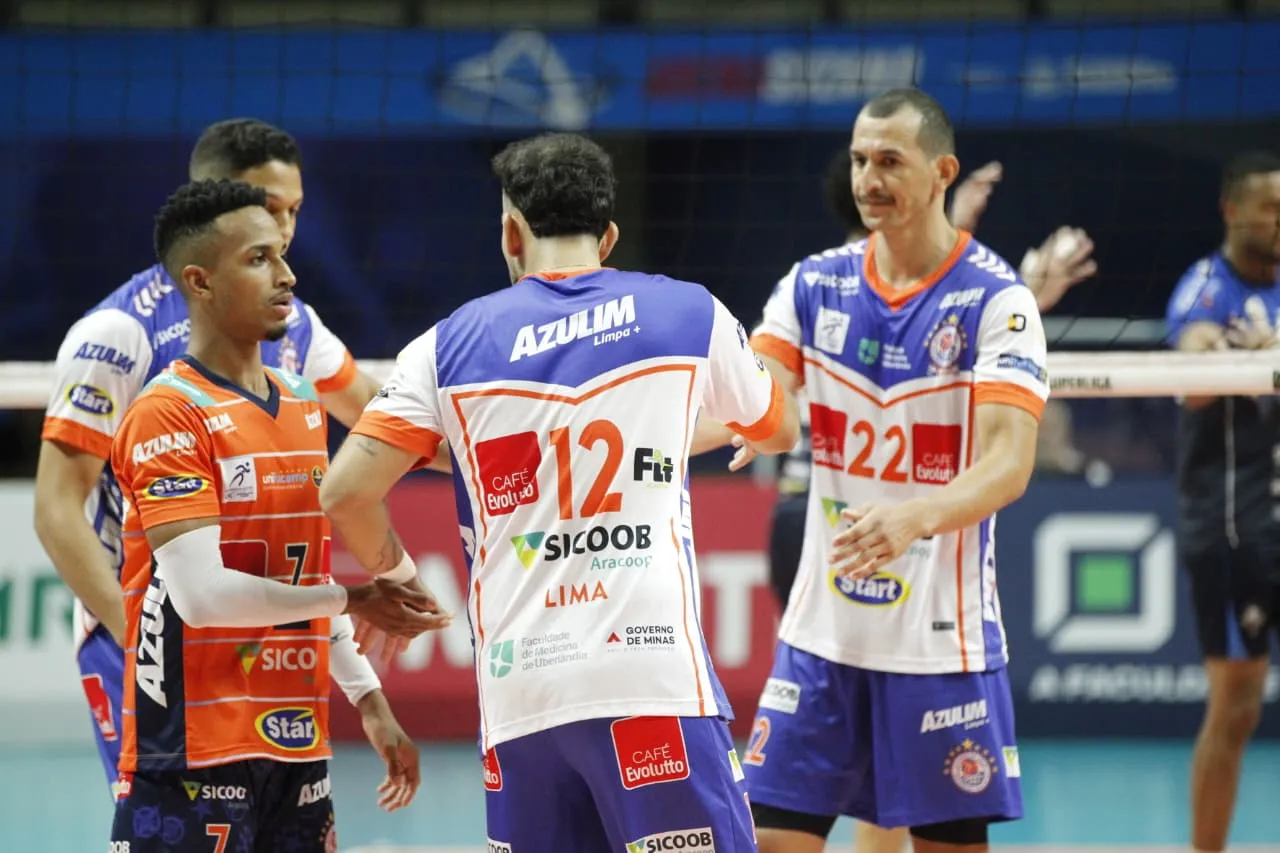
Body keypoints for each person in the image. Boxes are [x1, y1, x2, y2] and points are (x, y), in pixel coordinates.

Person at [318, 131, 800, 853]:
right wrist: (740, 427)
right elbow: (777, 424)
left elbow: (345, 492)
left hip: (521, 701)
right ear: (608, 236)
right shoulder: (687, 311)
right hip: (651, 680)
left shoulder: (445, 345)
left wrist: (397, 581)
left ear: (511, 231)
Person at [698, 88, 1047, 853]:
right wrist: (646, 448)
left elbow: (1008, 463)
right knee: (770, 838)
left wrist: (915, 513)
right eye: (859, 159)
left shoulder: (999, 301)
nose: (867, 178)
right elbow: (755, 397)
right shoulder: (811, 284)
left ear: (941, 172)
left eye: (890, 160)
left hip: (939, 645)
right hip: (821, 636)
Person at [33, 118, 419, 805]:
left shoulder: (294, 320)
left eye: (296, 210)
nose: (288, 228)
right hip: (151, 625)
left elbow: (373, 413)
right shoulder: (118, 333)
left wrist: (488, 440)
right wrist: (145, 649)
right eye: (270, 208)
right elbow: (58, 509)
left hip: (267, 625)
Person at [108, 179, 447, 852]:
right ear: (199, 281)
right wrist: (357, 597)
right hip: (188, 758)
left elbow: (305, 570)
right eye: (258, 258)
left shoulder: (301, 402)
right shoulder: (166, 412)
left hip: (296, 749)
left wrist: (371, 701)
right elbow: (204, 597)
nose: (287, 274)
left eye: (282, 256)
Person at [1164, 150, 1280, 853]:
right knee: (1235, 709)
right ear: (1232, 210)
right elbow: (1193, 377)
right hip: (1236, 530)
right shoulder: (1206, 288)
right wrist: (1250, 358)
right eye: (1268, 205)